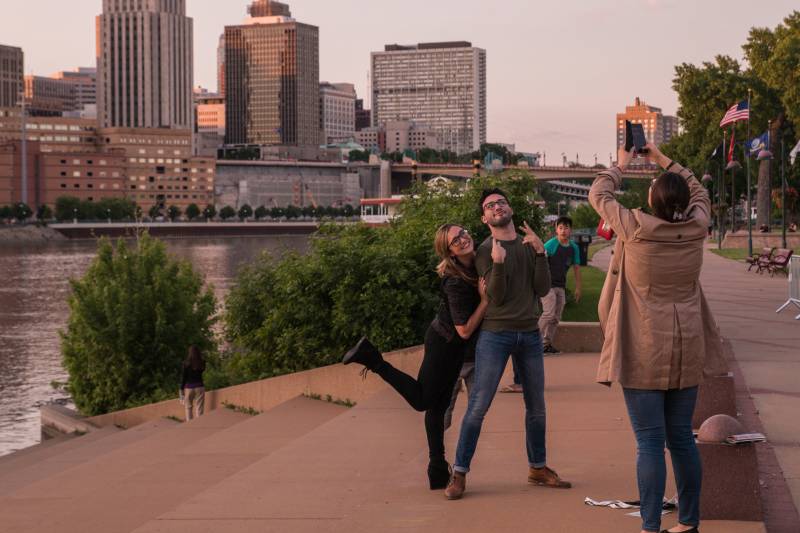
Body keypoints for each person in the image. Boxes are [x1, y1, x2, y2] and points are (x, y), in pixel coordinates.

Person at [589, 143, 727, 533]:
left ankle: (650, 526)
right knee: (681, 439)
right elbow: (699, 190)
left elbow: (598, 194)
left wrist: (622, 163)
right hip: (686, 346)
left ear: (653, 199)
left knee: (649, 442)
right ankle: (688, 522)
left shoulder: (635, 227)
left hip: (644, 347)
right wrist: (662, 159)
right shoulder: (697, 227)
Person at [445, 189, 572, 500]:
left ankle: (537, 468)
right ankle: (459, 473)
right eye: (489, 206)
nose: (496, 207)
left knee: (537, 408)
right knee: (478, 407)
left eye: (500, 202)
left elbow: (542, 288)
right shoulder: (485, 251)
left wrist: (541, 252)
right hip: (495, 335)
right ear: (484, 218)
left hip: (529, 333)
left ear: (509, 208)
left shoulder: (530, 243)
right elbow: (496, 298)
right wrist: (499, 264)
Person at [342, 224, 490, 490]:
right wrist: (485, 302)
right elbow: (464, 330)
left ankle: (436, 468)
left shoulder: (477, 260)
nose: (462, 239)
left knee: (437, 407)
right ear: (450, 251)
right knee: (423, 401)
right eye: (455, 240)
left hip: (453, 348)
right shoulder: (455, 281)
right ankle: (372, 358)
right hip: (445, 344)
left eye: (463, 232)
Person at [539, 216, 582, 355]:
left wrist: (578, 288)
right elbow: (538, 260)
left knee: (556, 317)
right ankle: (531, 342)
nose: (563, 230)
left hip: (560, 286)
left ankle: (546, 344)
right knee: (548, 313)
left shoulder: (574, 248)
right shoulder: (551, 244)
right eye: (560, 228)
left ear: (571, 230)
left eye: (566, 228)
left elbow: (576, 268)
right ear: (556, 230)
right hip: (547, 284)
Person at [180, 346, 206, 421]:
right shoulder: (202, 362)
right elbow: (202, 370)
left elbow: (184, 377)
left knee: (188, 407)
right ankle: (199, 423)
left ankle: (190, 425)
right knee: (199, 407)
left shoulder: (185, 363)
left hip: (189, 388)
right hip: (199, 387)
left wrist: (181, 389)